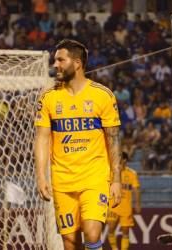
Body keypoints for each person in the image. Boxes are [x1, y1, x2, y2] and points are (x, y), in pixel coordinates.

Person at [35, 39, 122, 250]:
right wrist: (40, 176)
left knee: (92, 233)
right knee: (70, 242)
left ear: (77, 63)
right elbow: (42, 138)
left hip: (94, 177)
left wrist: (116, 180)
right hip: (62, 180)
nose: (55, 64)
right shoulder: (48, 98)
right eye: (55, 60)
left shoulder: (102, 95)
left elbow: (113, 139)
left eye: (60, 60)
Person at [107, 152, 141, 250]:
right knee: (110, 230)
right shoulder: (111, 172)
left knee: (125, 232)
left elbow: (136, 190)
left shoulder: (131, 173)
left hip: (126, 207)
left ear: (124, 160)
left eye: (119, 159)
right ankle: (114, 249)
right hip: (112, 207)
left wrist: (138, 204)